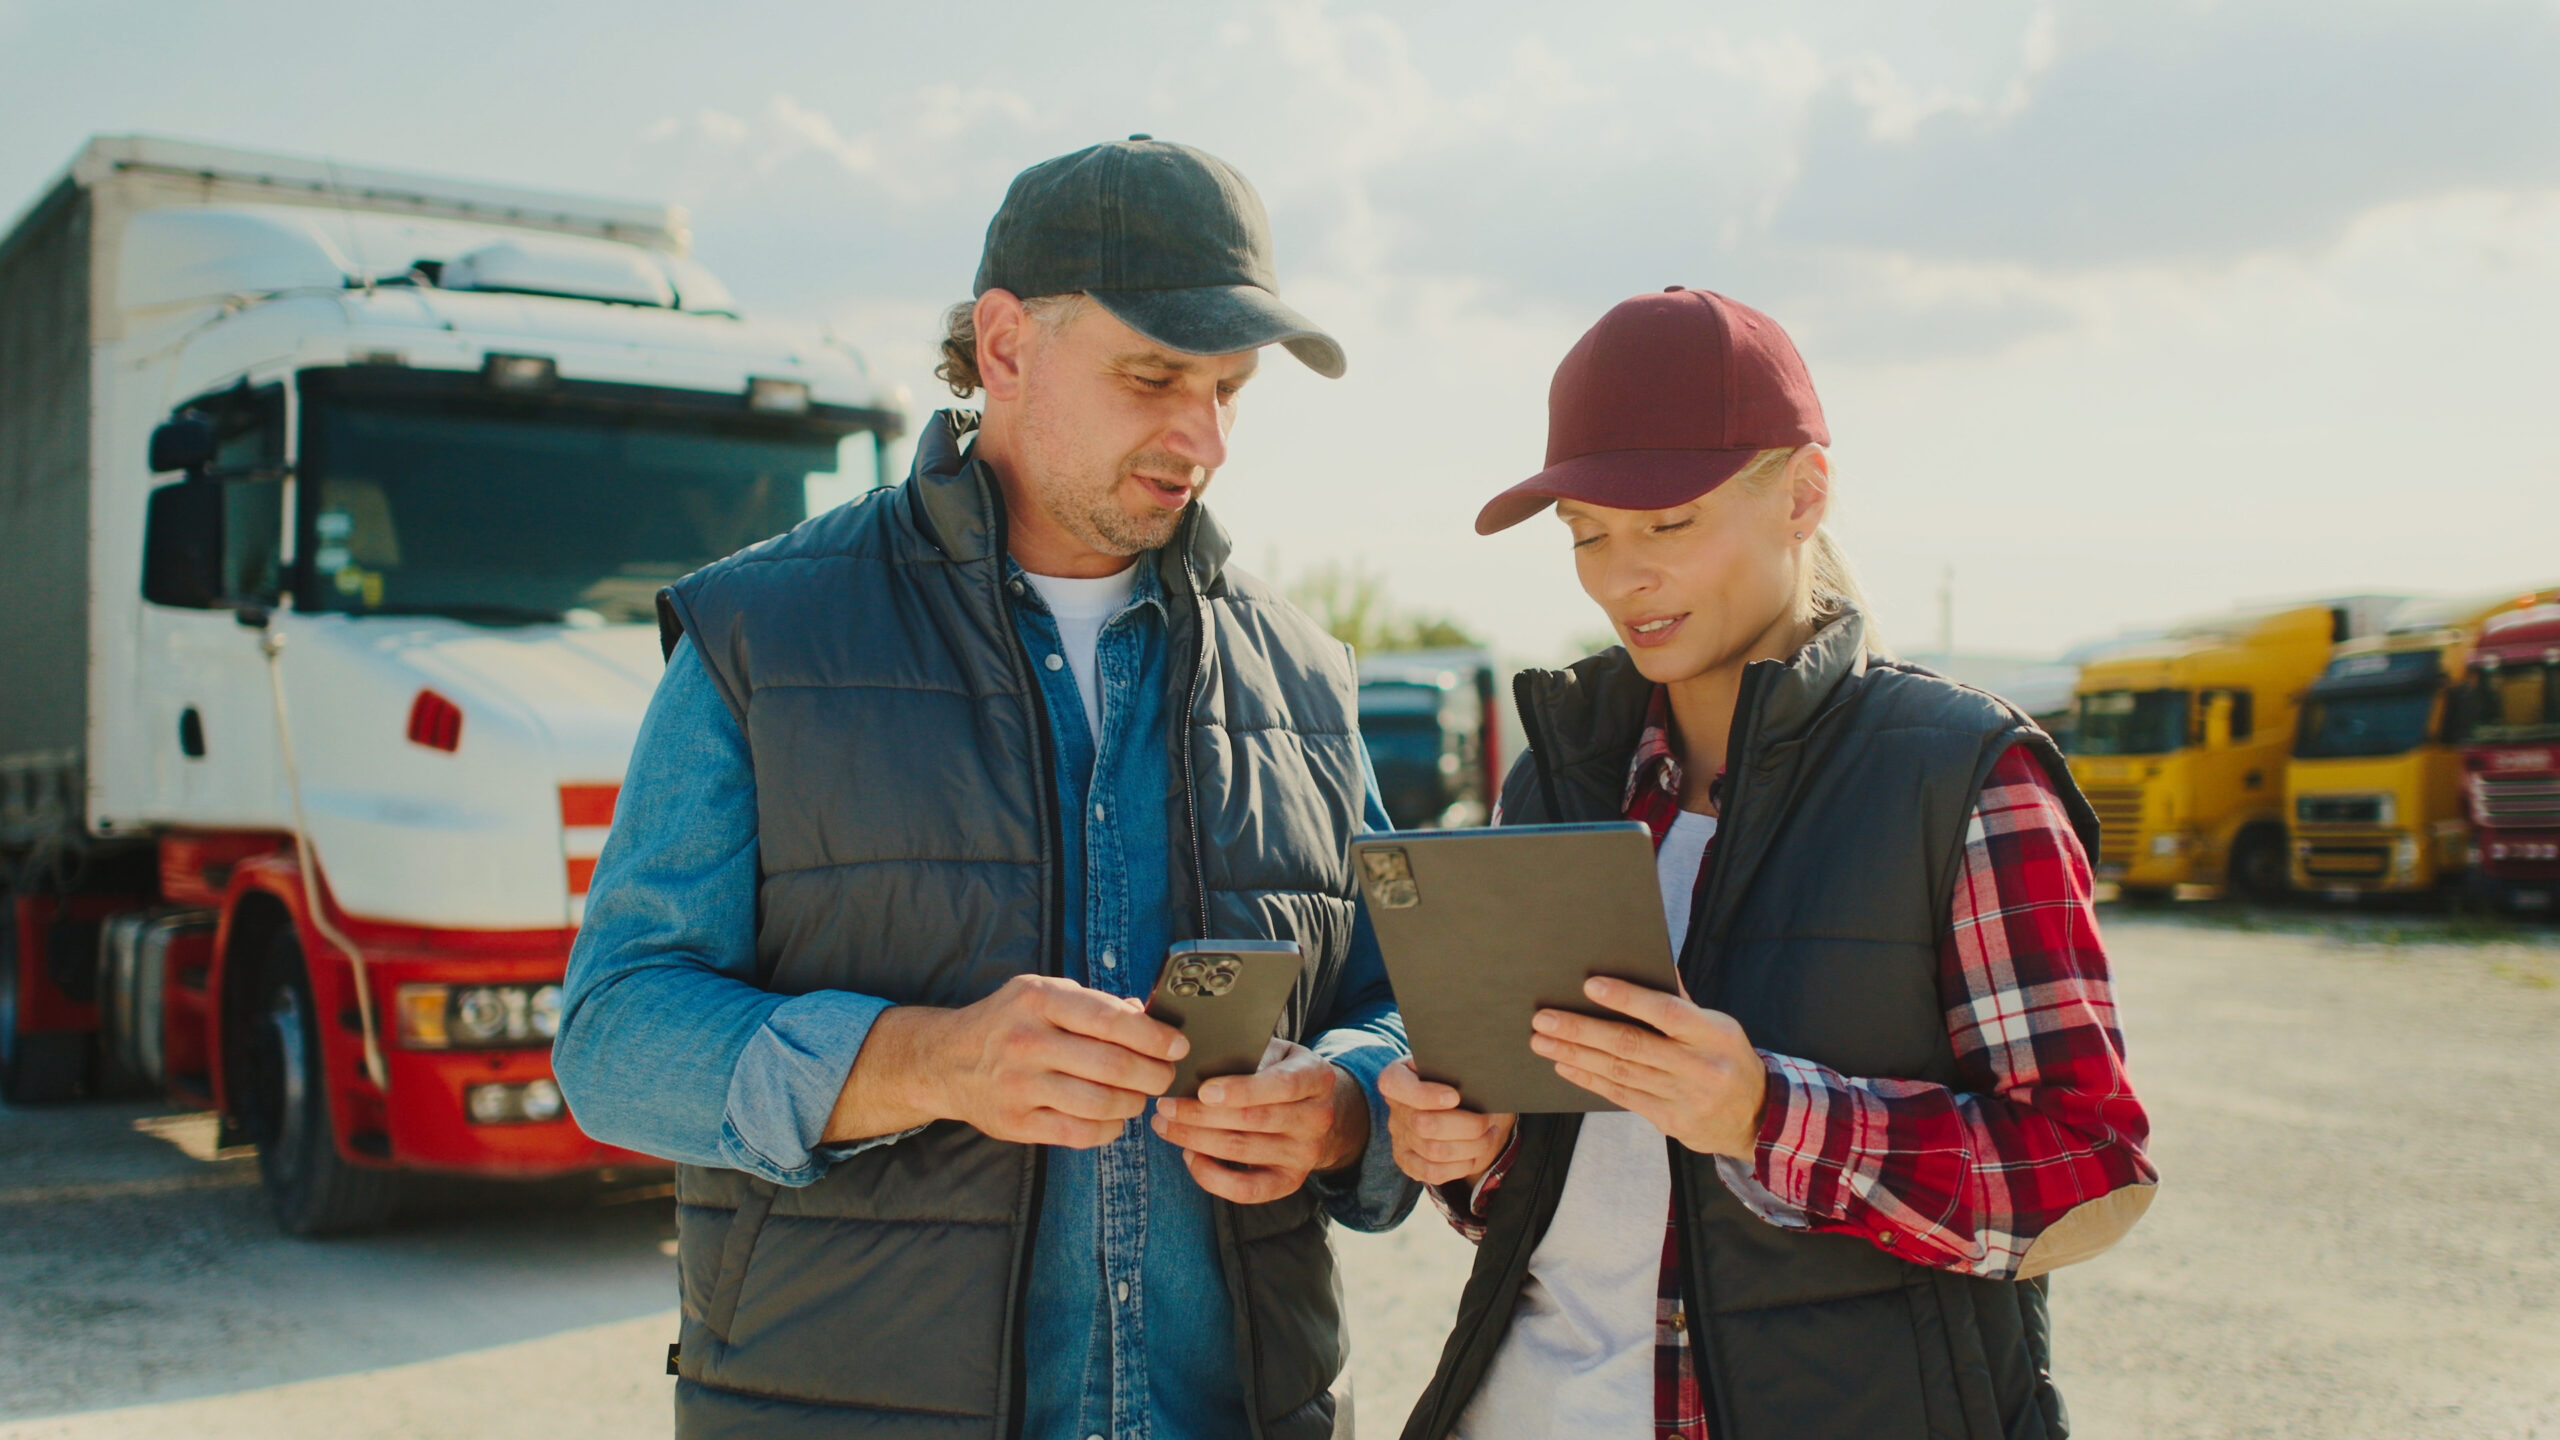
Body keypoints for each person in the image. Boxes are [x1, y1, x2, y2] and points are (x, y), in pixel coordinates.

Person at [555, 137, 1418, 1440]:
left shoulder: (1303, 676)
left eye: (1232, 390)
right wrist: (924, 1063)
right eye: (1155, 377)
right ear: (1006, 347)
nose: (1206, 438)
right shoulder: (760, 640)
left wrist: (1348, 1112)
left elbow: (1400, 1009)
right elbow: (614, 1043)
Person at [1379, 288, 2158, 1439]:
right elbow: (1548, 1188)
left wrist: (1765, 1114)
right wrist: (1471, 1151)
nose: (1618, 577)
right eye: (1587, 532)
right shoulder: (1558, 782)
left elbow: (2087, 1172)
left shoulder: (1964, 776)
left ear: (1801, 493)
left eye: (1666, 524)